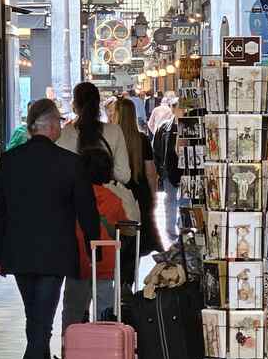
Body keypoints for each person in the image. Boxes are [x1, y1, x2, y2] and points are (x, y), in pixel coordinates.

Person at [0, 97, 99, 359]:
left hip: (19, 253)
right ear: (51, 127)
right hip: (54, 254)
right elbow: (86, 211)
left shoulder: (9, 161)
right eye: (60, 122)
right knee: (42, 320)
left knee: (35, 317)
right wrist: (94, 246)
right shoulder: (69, 162)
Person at [61, 146, 136, 335]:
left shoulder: (71, 197)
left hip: (79, 261)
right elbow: (125, 227)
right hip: (105, 263)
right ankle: (104, 351)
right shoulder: (114, 199)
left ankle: (70, 350)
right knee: (105, 312)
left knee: (73, 311)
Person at [111, 95, 162, 255]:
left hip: (118, 193)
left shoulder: (111, 139)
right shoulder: (142, 139)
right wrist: (153, 196)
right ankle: (131, 275)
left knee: (121, 238)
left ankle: (120, 272)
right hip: (141, 195)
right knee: (140, 240)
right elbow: (151, 172)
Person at [57, 80, 131, 184]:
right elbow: (124, 175)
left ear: (75, 105)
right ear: (98, 105)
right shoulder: (114, 131)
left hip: (73, 197)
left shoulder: (63, 134)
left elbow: (59, 174)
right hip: (105, 196)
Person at [153, 100, 187, 240]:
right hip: (169, 169)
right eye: (179, 107)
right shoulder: (164, 127)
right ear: (173, 109)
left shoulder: (191, 125)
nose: (182, 110)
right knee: (170, 200)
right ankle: (170, 230)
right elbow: (156, 149)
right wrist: (159, 170)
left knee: (185, 201)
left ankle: (184, 228)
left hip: (185, 172)